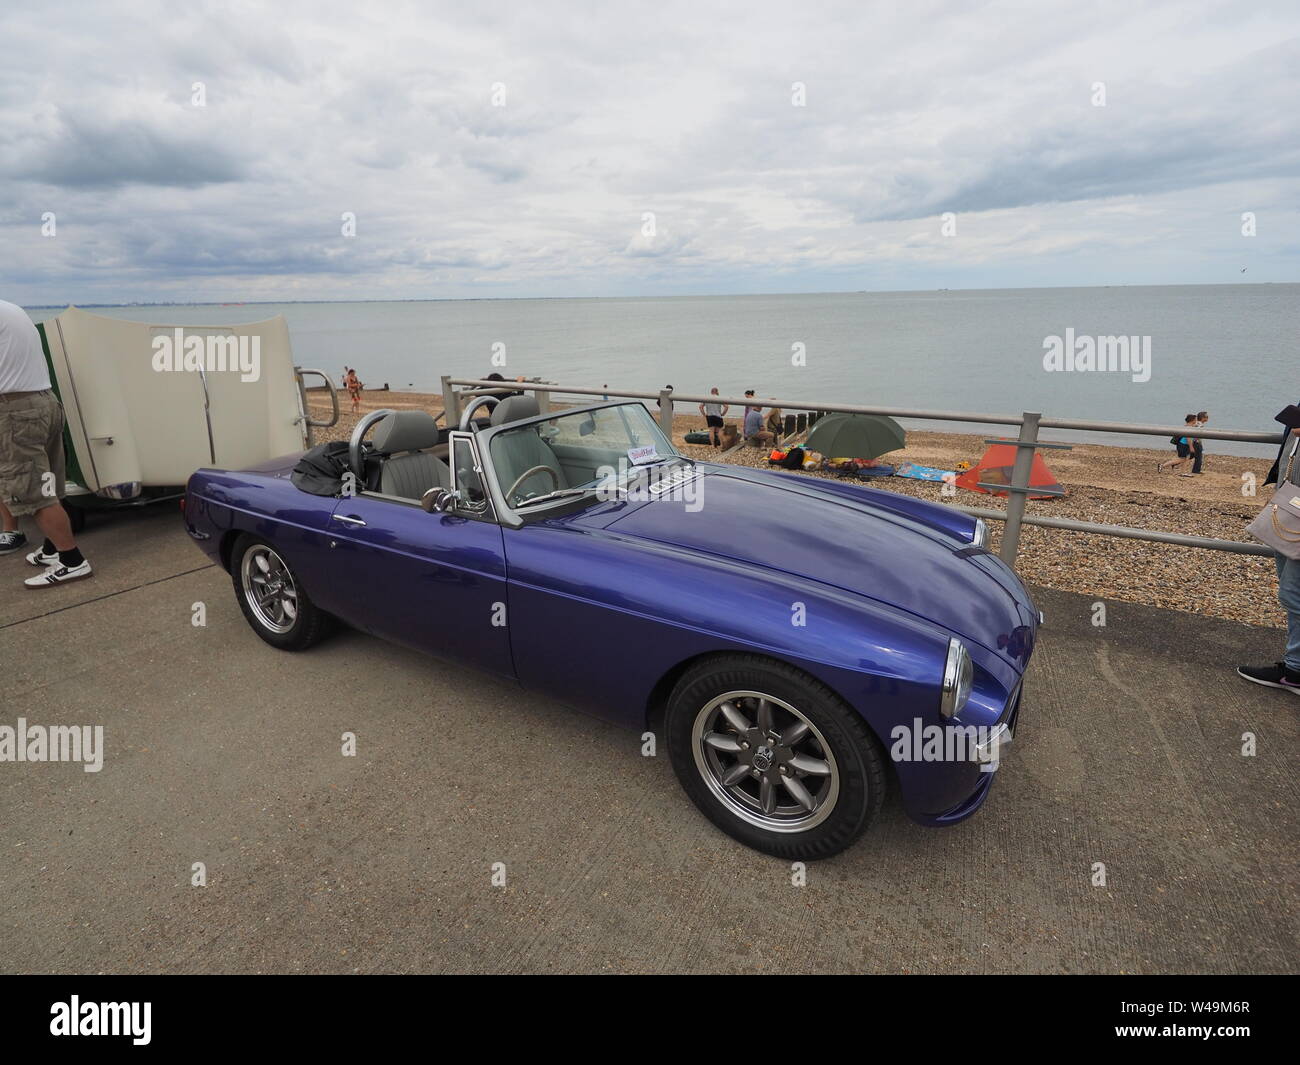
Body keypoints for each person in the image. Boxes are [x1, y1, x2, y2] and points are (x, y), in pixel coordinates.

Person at [0, 299, 92, 587]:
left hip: (15, 411)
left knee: (34, 493)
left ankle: (72, 560)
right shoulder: (11, 309)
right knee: (50, 483)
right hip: (44, 402)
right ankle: (53, 549)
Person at [1238, 420, 1300, 693]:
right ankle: (1295, 667)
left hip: (1295, 506)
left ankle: (1296, 670)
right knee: (1292, 592)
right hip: (1291, 502)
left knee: (1293, 593)